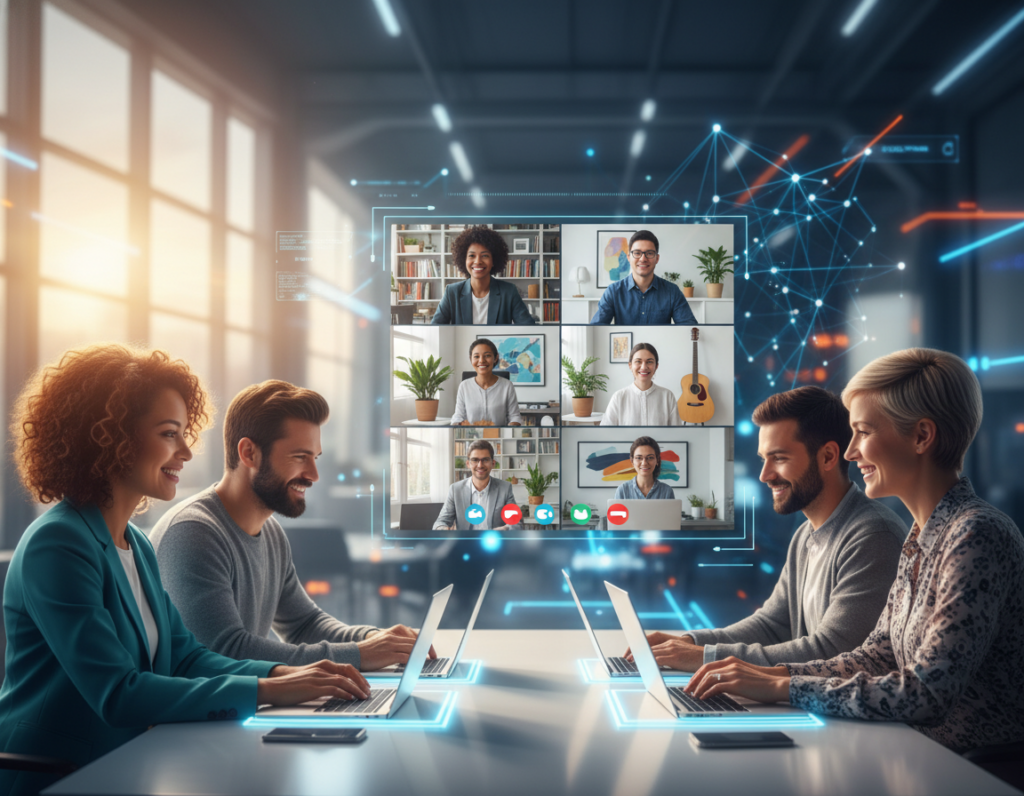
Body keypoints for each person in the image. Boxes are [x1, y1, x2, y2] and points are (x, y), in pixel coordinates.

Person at [0, 346, 369, 796]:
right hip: (61, 773)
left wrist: (281, 676)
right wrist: (266, 692)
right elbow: (118, 693)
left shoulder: (133, 541)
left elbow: (186, 657)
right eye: (169, 433)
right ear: (111, 437)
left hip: (132, 760)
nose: (187, 451)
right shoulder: (56, 544)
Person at [684, 350, 1024, 755]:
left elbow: (927, 692)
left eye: (863, 432)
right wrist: (768, 677)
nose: (850, 452)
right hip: (918, 754)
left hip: (972, 771)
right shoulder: (922, 535)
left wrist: (784, 685)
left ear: (921, 437)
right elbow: (877, 655)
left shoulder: (976, 534)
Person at [151, 380, 433, 671]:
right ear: (249, 453)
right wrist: (360, 654)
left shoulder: (270, 532)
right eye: (300, 457)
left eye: (315, 458)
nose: (313, 475)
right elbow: (226, 652)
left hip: (242, 709)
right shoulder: (192, 533)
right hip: (195, 716)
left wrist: (377, 639)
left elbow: (303, 624)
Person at [630, 386, 906, 671]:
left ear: (827, 457)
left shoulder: (873, 537)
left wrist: (704, 658)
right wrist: (691, 642)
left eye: (780, 458)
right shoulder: (805, 536)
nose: (765, 475)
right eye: (764, 459)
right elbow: (772, 624)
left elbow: (834, 651)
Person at [431, 225, 535, 324]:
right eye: (472, 255)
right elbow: (435, 329)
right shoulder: (452, 292)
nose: (477, 261)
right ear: (464, 259)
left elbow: (528, 328)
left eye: (485, 255)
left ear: (494, 260)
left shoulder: (508, 291)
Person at [591, 230, 698, 325]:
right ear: (629, 257)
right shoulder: (613, 291)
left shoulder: (672, 291)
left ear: (657, 258)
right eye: (637, 253)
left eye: (649, 253)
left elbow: (689, 328)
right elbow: (596, 328)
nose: (643, 259)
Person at [433, 440, 522, 531]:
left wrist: (505, 528)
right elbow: (440, 522)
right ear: (468, 464)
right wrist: (444, 529)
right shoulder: (455, 490)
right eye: (475, 460)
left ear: (493, 463)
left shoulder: (505, 488)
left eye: (485, 460)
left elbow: (517, 522)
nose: (480, 465)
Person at [601, 342, 680, 426]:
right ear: (630, 365)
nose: (643, 367)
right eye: (638, 361)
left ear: (656, 366)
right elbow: (606, 432)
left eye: (649, 362)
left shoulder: (667, 397)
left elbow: (677, 434)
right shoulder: (618, 397)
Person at [450, 338, 523, 426]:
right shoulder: (464, 386)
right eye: (476, 356)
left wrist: (512, 426)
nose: (481, 361)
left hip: (499, 437)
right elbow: (458, 416)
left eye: (487, 355)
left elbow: (515, 416)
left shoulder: (507, 386)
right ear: (471, 359)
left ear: (495, 358)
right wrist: (459, 423)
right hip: (472, 437)